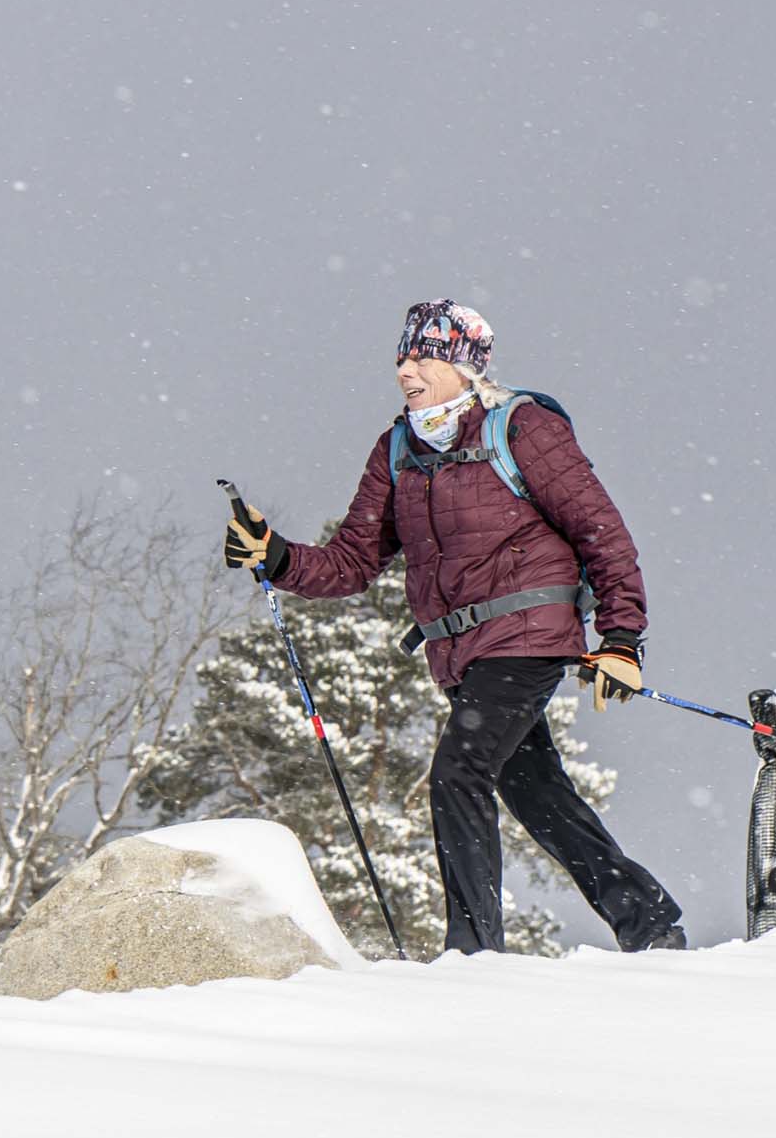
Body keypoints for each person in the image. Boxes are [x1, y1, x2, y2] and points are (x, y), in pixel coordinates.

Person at [223, 298, 687, 955]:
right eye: (401, 357)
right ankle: (649, 919)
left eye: (423, 356)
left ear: (464, 365)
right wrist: (277, 556)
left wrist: (620, 640)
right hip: (462, 654)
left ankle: (472, 950)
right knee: (537, 793)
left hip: (528, 636)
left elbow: (603, 534)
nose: (406, 370)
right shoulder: (396, 450)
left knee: (458, 769)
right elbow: (355, 559)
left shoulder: (519, 428)